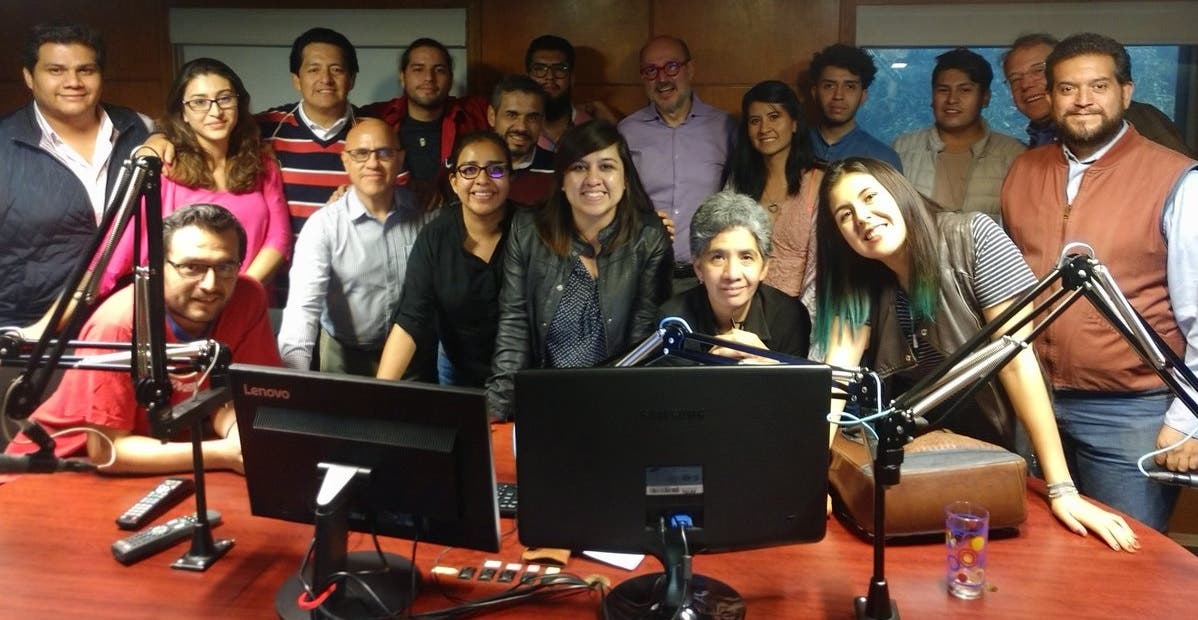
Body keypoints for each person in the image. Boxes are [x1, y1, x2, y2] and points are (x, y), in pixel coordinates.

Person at [816, 157, 1139, 551]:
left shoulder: (973, 237)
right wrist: (809, 479)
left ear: (899, 192)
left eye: (869, 197)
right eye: (845, 215)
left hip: (1002, 449)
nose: (862, 217)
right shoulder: (861, 279)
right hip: (931, 459)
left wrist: (1062, 489)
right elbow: (835, 377)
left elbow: (1017, 361)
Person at [1001, 33, 1198, 532]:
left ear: (1126, 93)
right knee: (1040, 552)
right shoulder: (1023, 170)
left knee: (1128, 560)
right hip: (1034, 403)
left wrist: (1190, 419)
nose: (1083, 100)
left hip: (1133, 413)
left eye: (1099, 86)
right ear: (1051, 98)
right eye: (1067, 89)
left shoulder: (1177, 180)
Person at [4, 204, 282, 474]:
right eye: (192, 267)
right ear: (157, 267)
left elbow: (231, 398)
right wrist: (226, 454)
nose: (211, 285)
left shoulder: (246, 297)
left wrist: (239, 438)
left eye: (225, 267)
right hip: (61, 467)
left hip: (162, 454)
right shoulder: (119, 323)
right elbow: (107, 451)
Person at [488, 120, 673, 419]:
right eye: (579, 167)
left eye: (606, 166)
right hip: (545, 401)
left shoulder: (649, 238)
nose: (593, 179)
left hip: (617, 404)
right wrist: (497, 410)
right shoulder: (527, 231)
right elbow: (514, 327)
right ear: (562, 180)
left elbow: (643, 345)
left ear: (625, 179)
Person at [1, 22, 151, 333]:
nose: (73, 82)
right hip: (28, 332)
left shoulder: (142, 130)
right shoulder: (4, 143)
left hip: (130, 326)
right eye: (56, 70)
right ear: (29, 77)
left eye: (86, 70)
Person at [100, 58, 290, 297]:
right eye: (199, 102)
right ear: (183, 113)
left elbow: (279, 238)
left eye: (225, 99)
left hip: (247, 302)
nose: (215, 111)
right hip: (182, 308)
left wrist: (237, 294)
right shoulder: (165, 167)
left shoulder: (261, 160)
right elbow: (117, 254)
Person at [277, 119, 431, 375]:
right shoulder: (323, 226)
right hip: (343, 356)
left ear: (400, 159)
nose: (373, 163)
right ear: (346, 160)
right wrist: (293, 379)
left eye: (384, 153)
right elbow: (302, 310)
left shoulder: (425, 214)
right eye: (361, 153)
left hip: (412, 356)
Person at [376, 131, 514, 387]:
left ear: (510, 177)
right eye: (469, 170)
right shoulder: (435, 237)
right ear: (454, 182)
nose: (482, 180)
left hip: (522, 371)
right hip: (458, 370)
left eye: (496, 170)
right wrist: (379, 393)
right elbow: (411, 318)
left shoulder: (529, 232)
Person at [618, 35, 735, 281]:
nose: (662, 79)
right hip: (643, 274)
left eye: (672, 67)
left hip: (707, 277)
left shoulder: (725, 128)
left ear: (690, 69)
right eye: (651, 70)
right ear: (643, 78)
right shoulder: (627, 132)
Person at [659, 191, 810, 361]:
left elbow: (797, 379)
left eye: (746, 257)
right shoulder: (672, 320)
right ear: (698, 267)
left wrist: (769, 364)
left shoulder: (789, 317)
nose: (732, 274)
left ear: (764, 267)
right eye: (718, 257)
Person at [1002, 33, 1192, 156]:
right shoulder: (1033, 145)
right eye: (1015, 79)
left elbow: (1177, 179)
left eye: (1038, 71)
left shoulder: (1136, 118)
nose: (1026, 84)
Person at [892, 48, 1024, 221]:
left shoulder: (1013, 155)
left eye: (965, 90)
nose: (952, 99)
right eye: (943, 90)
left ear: (985, 97)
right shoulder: (902, 149)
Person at [256, 27, 363, 235]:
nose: (326, 79)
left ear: (351, 79)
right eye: (314, 70)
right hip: (280, 256)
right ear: (296, 80)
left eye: (336, 70)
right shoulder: (264, 129)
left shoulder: (374, 135)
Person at [726, 80, 822, 311]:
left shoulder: (818, 181)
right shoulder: (737, 181)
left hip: (801, 313)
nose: (764, 129)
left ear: (794, 123)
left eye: (774, 117)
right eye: (754, 121)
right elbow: (722, 246)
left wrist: (797, 321)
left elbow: (820, 268)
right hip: (742, 308)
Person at [363, 37, 488, 187]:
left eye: (439, 70)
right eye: (418, 69)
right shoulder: (377, 116)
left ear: (450, 79)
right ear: (403, 77)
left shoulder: (474, 114)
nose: (429, 78)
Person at [805, 44, 902, 170]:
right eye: (829, 86)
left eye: (850, 86)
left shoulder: (883, 159)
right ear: (814, 93)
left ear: (863, 95)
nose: (838, 96)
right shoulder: (792, 147)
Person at [524, 34, 616, 152]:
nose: (550, 77)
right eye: (539, 69)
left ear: (572, 78)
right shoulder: (517, 128)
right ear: (528, 77)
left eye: (559, 69)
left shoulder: (590, 128)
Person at [487, 74, 554, 207]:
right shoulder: (465, 169)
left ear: (542, 121)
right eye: (512, 115)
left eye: (532, 118)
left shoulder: (560, 172)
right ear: (492, 116)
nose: (521, 127)